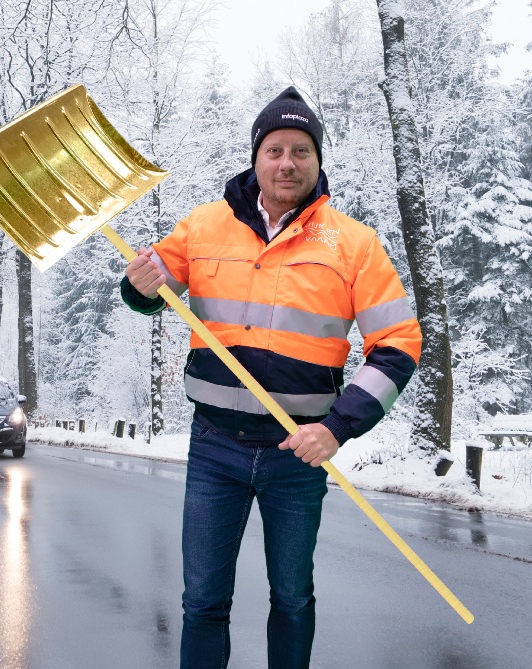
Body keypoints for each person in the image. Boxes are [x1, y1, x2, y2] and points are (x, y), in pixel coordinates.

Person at [121, 86, 422, 669]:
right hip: (215, 447)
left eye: (301, 151)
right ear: (256, 157)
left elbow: (398, 344)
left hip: (298, 453)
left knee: (291, 597)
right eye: (276, 149)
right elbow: (154, 289)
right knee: (203, 600)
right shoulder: (205, 226)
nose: (287, 163)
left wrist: (337, 428)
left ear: (317, 159)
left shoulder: (354, 244)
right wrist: (139, 288)